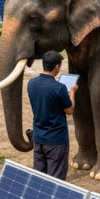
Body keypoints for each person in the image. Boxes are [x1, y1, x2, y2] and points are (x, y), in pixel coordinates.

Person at [26, 50, 77, 180]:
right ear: (57, 67)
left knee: (39, 178)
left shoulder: (31, 83)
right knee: (55, 180)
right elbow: (70, 110)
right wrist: (72, 92)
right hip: (56, 141)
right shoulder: (59, 88)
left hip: (38, 138)